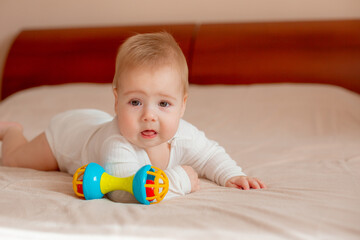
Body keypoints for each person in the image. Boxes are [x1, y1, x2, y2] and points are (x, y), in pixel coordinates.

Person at [0, 32, 266, 201]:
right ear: (117, 101)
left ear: (182, 106)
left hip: (93, 122)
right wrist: (180, 180)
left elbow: (209, 155)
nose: (149, 115)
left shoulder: (185, 134)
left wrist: (232, 175)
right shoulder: (117, 142)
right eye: (135, 102)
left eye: (164, 103)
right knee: (14, 159)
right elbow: (122, 190)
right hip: (66, 136)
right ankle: (12, 130)